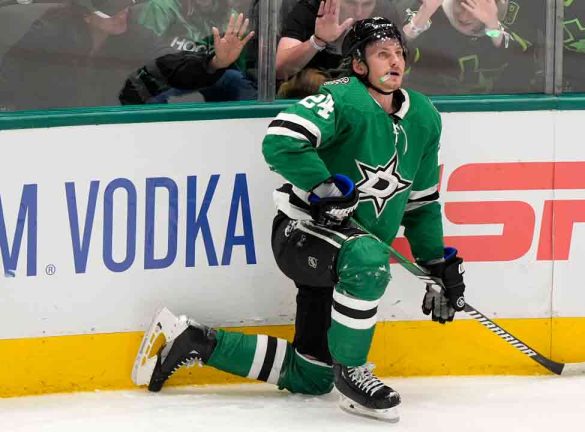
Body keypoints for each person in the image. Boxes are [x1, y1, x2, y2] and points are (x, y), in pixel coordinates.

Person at [131, 17, 466, 423]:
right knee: (368, 259)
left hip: (349, 255)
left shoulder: (424, 116)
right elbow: (281, 139)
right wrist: (324, 188)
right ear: (359, 65)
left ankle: (196, 341)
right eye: (382, 54)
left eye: (398, 53)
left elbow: (421, 202)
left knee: (311, 375)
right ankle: (354, 374)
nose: (394, 61)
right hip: (303, 235)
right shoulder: (341, 98)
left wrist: (435, 263)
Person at [0, 0, 138, 110]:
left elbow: (156, 57)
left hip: (110, 120)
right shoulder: (49, 39)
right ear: (86, 15)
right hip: (47, 119)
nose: (123, 11)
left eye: (126, 3)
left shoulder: (133, 35)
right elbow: (8, 78)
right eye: (112, 8)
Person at [126, 0, 258, 102]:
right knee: (148, 90)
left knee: (238, 82)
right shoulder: (162, 7)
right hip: (167, 75)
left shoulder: (230, 16)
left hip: (208, 74)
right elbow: (143, 52)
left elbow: (240, 66)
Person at [404, 0, 540, 95]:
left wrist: (492, 27)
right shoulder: (430, 8)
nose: (464, 16)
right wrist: (423, 16)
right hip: (435, 104)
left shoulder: (519, 17)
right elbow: (394, 49)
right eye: (460, 3)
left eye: (473, 6)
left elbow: (521, 60)